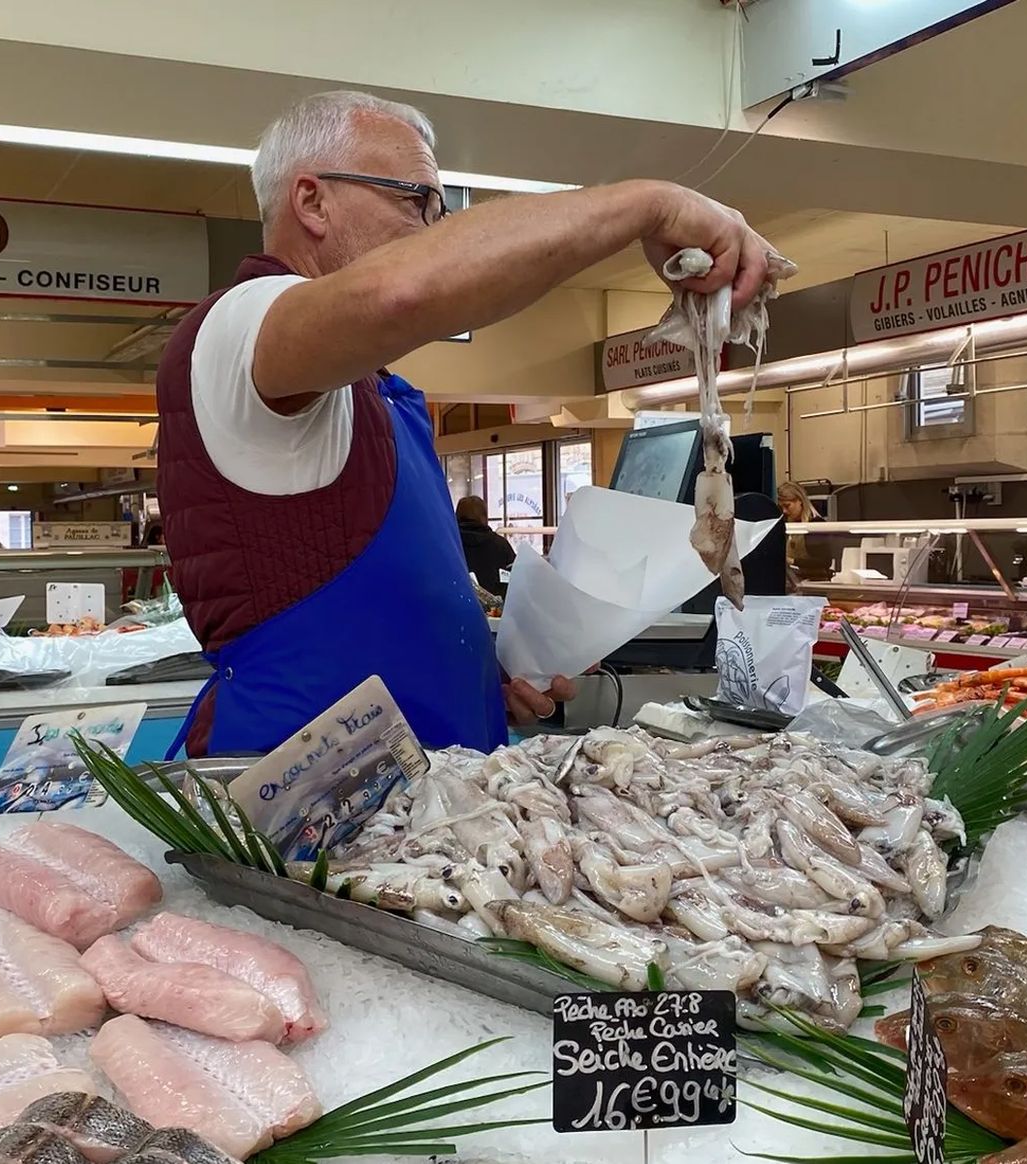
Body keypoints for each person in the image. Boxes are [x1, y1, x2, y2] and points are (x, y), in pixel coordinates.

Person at [157, 90, 776, 756]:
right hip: (308, 817)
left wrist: (486, 664)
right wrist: (653, 204)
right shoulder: (238, 326)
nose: (433, 228)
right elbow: (403, 291)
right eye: (416, 201)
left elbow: (384, 606)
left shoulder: (377, 392)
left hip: (432, 810)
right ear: (312, 202)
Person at [454, 496, 515, 600]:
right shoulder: (501, 545)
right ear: (484, 516)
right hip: (496, 613)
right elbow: (514, 580)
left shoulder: (451, 545)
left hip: (456, 608)